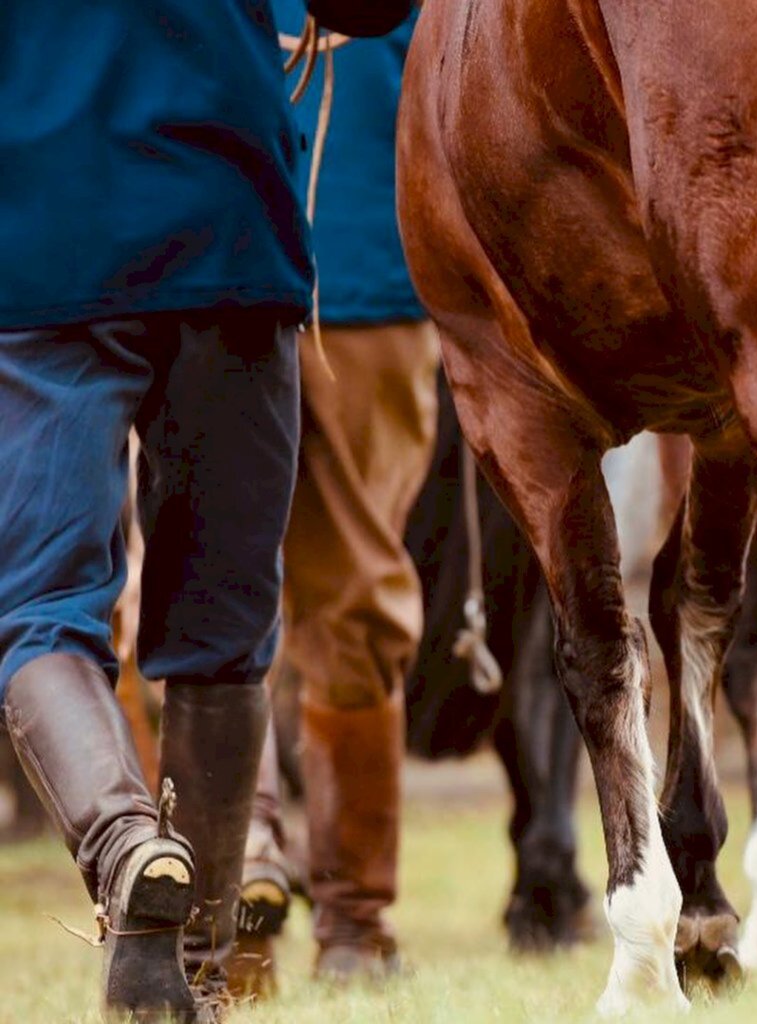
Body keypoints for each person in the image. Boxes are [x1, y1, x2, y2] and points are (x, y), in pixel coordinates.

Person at [0, 1, 409, 1019]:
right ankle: (190, 968)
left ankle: (126, 842)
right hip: (229, 228)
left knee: (40, 611)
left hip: (44, 241)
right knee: (222, 636)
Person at [232, 3, 440, 990]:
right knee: (353, 591)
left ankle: (241, 897)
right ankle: (345, 926)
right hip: (357, 274)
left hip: (264, 273)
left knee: (185, 576)